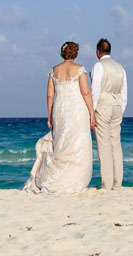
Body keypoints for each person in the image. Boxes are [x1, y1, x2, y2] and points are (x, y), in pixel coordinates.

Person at [23, 41, 95, 194]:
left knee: (61, 144)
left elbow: (50, 95)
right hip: (76, 110)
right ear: (75, 53)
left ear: (62, 53)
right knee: (77, 144)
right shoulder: (79, 70)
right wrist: (92, 113)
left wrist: (49, 116)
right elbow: (85, 92)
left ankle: (56, 177)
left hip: (60, 110)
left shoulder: (54, 71)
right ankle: (72, 179)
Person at [90, 37, 127, 189]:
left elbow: (95, 89)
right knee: (116, 146)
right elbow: (124, 93)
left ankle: (107, 183)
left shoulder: (99, 66)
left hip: (103, 106)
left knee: (104, 146)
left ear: (98, 52)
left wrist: (91, 111)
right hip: (117, 106)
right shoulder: (121, 68)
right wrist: (121, 109)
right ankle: (118, 183)